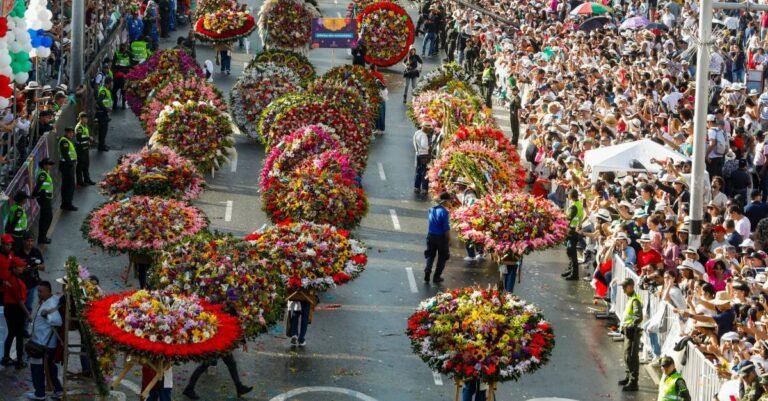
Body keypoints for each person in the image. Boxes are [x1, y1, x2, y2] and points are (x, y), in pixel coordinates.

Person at [182, 300, 253, 399]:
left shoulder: (229, 311)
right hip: (217, 344)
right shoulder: (225, 311)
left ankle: (239, 387)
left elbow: (236, 328)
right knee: (205, 365)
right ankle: (189, 389)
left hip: (222, 344)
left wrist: (243, 342)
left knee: (230, 364)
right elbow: (234, 328)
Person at [25, 280, 63, 401]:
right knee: (51, 369)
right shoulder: (50, 300)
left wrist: (46, 315)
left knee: (37, 369)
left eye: (41, 292)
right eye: (38, 291)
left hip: (42, 344)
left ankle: (40, 394)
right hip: (44, 342)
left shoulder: (50, 304)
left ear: (48, 291)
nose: (38, 294)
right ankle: (58, 390)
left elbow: (58, 321)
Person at [1, 258, 29, 369]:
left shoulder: (8, 278)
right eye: (20, 266)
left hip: (9, 308)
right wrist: (28, 314)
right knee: (19, 336)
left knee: (11, 334)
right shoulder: (17, 282)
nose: (22, 268)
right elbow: (20, 301)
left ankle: (6, 357)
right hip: (16, 310)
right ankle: (19, 361)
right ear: (14, 268)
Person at [17, 233, 44, 334]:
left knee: (28, 306)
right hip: (20, 284)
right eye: (28, 241)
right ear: (23, 241)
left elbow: (43, 267)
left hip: (32, 284)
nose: (30, 243)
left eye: (31, 241)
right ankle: (17, 326)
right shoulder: (18, 253)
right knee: (19, 306)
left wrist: (36, 266)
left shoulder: (36, 252)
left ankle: (24, 328)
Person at [618, 277, 642, 392]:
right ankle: (628, 377)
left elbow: (638, 317)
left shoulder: (635, 300)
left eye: (624, 287)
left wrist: (631, 325)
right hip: (629, 332)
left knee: (632, 357)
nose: (623, 289)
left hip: (633, 332)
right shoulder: (630, 298)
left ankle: (633, 382)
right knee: (627, 355)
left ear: (631, 287)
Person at [424, 192, 452, 283]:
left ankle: (427, 270)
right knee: (442, 257)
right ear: (445, 201)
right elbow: (446, 228)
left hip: (431, 236)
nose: (450, 203)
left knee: (430, 255)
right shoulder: (444, 212)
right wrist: (449, 240)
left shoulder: (431, 209)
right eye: (449, 201)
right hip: (441, 238)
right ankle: (436, 277)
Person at [32, 158, 55, 244]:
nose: (50, 166)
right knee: (47, 218)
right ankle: (42, 238)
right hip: (44, 198)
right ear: (44, 165)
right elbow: (38, 186)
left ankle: (42, 237)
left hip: (46, 198)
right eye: (49, 164)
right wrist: (34, 194)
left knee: (45, 218)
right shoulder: (43, 174)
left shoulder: (44, 173)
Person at [563, 189, 583, 280]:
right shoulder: (578, 204)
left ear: (571, 196)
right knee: (570, 251)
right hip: (574, 230)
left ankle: (574, 274)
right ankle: (571, 270)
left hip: (572, 231)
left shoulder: (574, 206)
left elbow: (568, 219)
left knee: (571, 253)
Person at [58, 127, 78, 211]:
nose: (71, 134)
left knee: (66, 185)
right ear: (66, 133)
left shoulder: (67, 141)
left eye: (72, 133)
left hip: (67, 165)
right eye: (69, 133)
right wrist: (70, 164)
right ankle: (68, 204)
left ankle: (65, 203)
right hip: (67, 166)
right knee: (70, 186)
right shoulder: (64, 141)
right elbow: (65, 154)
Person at [74, 112, 94, 185]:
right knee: (80, 165)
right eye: (85, 118)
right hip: (80, 149)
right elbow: (79, 138)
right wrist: (88, 138)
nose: (86, 119)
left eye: (87, 118)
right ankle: (80, 181)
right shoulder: (79, 127)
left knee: (86, 164)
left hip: (85, 148)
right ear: (81, 119)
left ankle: (87, 179)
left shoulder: (85, 126)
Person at [413, 124, 432, 195]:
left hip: (418, 153)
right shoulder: (423, 135)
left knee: (418, 170)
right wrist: (429, 148)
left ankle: (416, 186)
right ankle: (424, 188)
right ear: (425, 128)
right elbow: (424, 145)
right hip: (424, 154)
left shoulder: (417, 133)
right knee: (425, 171)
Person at [96, 76, 113, 151]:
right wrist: (106, 109)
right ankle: (101, 146)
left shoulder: (106, 90)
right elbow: (99, 101)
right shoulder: (103, 90)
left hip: (105, 113)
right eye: (111, 82)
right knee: (102, 130)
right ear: (109, 83)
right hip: (102, 113)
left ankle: (102, 144)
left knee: (104, 130)